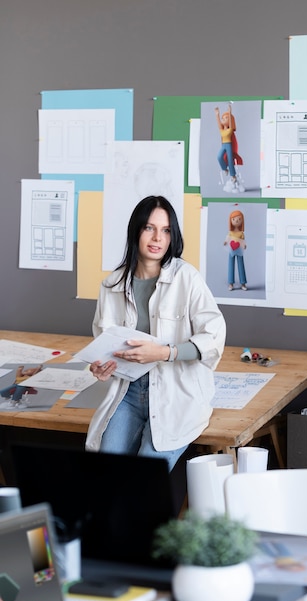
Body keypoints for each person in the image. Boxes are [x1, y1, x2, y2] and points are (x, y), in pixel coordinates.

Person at [86, 195, 226, 471]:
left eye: (165, 230)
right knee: (104, 471)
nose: (157, 238)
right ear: (136, 230)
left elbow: (214, 335)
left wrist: (166, 352)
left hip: (176, 394)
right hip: (127, 393)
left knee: (147, 475)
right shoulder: (111, 284)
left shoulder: (187, 278)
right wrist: (102, 369)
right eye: (149, 228)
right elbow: (103, 344)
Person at [215, 104, 244, 193]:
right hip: (223, 145)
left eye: (226, 118)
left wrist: (230, 112)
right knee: (219, 156)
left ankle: (233, 176)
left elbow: (230, 123)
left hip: (229, 145)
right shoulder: (222, 130)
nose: (223, 120)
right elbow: (219, 123)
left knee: (230, 161)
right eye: (223, 118)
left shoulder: (230, 129)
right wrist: (217, 114)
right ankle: (225, 169)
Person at [224, 209, 248, 291]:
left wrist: (244, 245)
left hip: (239, 250)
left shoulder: (241, 233)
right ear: (231, 221)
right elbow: (227, 238)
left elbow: (243, 241)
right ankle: (231, 283)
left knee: (241, 265)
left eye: (239, 219)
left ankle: (243, 283)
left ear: (242, 220)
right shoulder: (230, 232)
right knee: (231, 266)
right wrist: (225, 242)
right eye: (234, 219)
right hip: (231, 250)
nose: (237, 221)